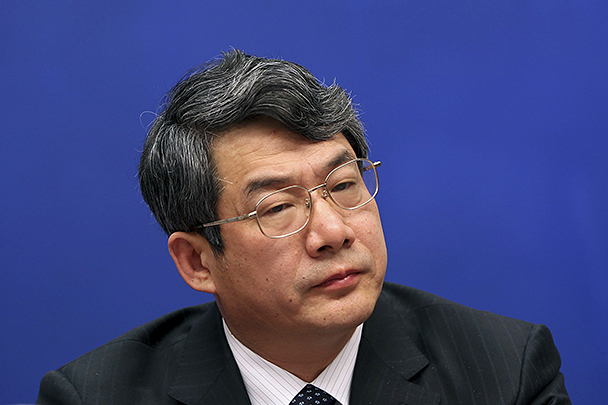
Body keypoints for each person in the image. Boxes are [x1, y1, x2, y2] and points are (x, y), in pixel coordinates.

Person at [37, 50, 571, 405]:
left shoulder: (506, 372)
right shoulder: (93, 397)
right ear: (198, 261)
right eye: (277, 208)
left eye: (344, 185)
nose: (334, 232)